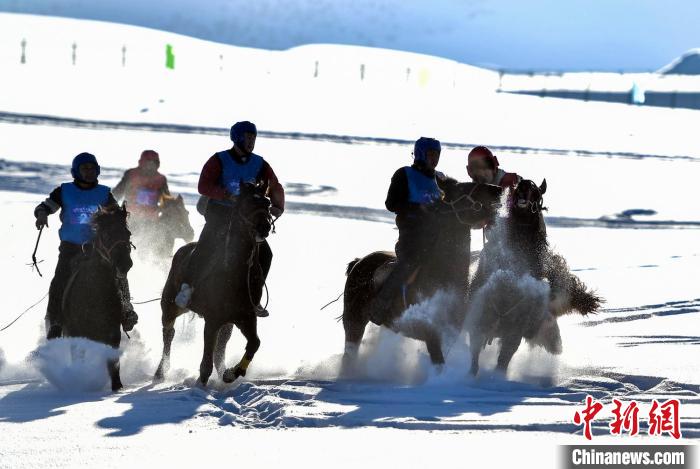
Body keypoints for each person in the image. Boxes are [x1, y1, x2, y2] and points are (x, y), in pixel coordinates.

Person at [174, 121, 285, 317]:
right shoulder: (219, 160)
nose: (251, 142)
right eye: (247, 138)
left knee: (266, 254)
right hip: (220, 214)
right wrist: (225, 195)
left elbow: (274, 186)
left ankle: (254, 298)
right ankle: (187, 288)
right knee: (205, 247)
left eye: (253, 138)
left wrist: (277, 206)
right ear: (237, 138)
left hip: (247, 220)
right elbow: (203, 185)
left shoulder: (260, 164)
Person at [34, 152, 138, 340]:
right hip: (70, 247)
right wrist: (42, 214)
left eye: (93, 168)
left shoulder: (104, 193)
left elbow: (115, 215)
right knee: (59, 281)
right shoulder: (64, 190)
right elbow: (45, 206)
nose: (89, 172)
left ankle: (126, 310)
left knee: (119, 274)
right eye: (85, 168)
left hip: (98, 249)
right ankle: (56, 322)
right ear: (76, 171)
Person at [369, 137, 445, 323]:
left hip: (438, 239)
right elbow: (391, 203)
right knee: (409, 264)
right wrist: (418, 208)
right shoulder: (404, 174)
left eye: (437, 155)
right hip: (411, 238)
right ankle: (381, 304)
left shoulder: (441, 179)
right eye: (431, 154)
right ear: (420, 154)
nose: (434, 159)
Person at [112, 150, 170, 226]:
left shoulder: (161, 179)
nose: (151, 165)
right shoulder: (131, 174)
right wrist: (109, 205)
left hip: (151, 220)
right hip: (130, 218)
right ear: (143, 162)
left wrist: (168, 209)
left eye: (154, 162)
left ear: (157, 163)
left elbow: (167, 200)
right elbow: (118, 192)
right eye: (148, 162)